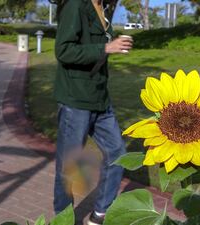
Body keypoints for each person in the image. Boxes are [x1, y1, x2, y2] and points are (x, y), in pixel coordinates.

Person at [52, 0, 133, 224]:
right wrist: (106, 48)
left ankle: (100, 214)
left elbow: (99, 41)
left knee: (118, 153)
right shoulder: (76, 5)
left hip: (99, 97)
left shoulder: (101, 7)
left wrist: (114, 43)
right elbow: (64, 50)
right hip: (75, 98)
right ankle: (63, 219)